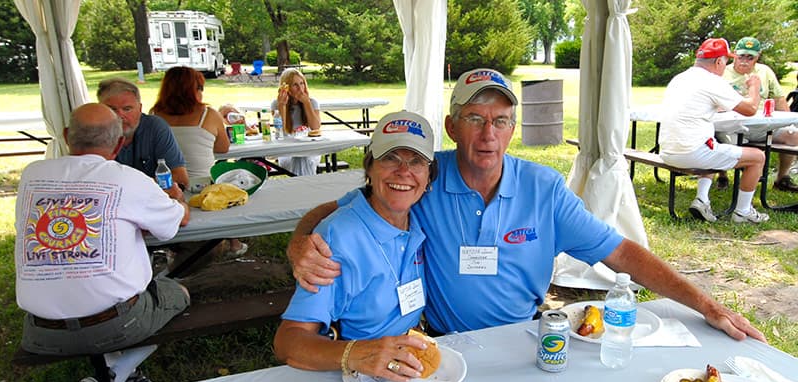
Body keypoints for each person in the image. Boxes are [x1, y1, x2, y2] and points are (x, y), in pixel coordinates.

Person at [287, 68, 766, 344]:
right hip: (448, 342)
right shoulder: (423, 176)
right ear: (453, 128)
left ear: (513, 129)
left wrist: (705, 303)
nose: (488, 133)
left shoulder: (544, 189)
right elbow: (340, 209)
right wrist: (299, 245)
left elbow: (620, 253)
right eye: (474, 118)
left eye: (500, 120)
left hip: (525, 337)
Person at [14, 103, 191, 382]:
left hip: (39, 331)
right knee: (177, 293)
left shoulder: (32, 175)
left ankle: (114, 372)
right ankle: (118, 372)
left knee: (124, 296)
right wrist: (177, 199)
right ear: (120, 142)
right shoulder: (128, 179)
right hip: (114, 324)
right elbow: (177, 221)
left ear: (67, 135)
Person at [273, 111, 437, 382]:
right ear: (369, 167)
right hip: (357, 378)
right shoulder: (337, 237)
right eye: (390, 158)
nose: (404, 172)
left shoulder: (417, 216)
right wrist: (354, 354)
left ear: (429, 175)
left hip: (411, 363)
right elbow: (287, 342)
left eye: (417, 161)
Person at [659, 38, 768, 224]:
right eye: (726, 62)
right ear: (719, 61)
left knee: (710, 143)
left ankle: (702, 199)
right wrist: (754, 88)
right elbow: (750, 109)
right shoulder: (712, 81)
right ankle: (743, 212)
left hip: (667, 150)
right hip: (691, 152)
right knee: (758, 157)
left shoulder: (679, 78)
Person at [149, 67, 247, 257]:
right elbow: (223, 148)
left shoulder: (154, 115)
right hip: (203, 186)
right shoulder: (208, 114)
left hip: (166, 187)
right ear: (193, 90)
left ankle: (175, 250)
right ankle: (234, 243)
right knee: (224, 186)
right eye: (200, 87)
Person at [717, 36, 798, 192]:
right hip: (732, 125)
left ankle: (782, 178)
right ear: (734, 54)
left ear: (757, 56)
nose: (744, 61)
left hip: (762, 124)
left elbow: (779, 99)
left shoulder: (765, 72)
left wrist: (789, 121)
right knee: (726, 140)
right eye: (741, 56)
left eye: (750, 57)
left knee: (793, 135)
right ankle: (723, 175)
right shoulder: (723, 73)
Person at [97, 77, 188, 200]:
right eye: (112, 109)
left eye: (127, 109)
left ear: (140, 109)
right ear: (100, 110)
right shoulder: (92, 132)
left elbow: (179, 177)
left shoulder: (155, 127)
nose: (119, 116)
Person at [272, 68, 322, 175]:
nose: (300, 88)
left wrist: (307, 103)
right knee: (298, 158)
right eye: (295, 85)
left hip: (309, 149)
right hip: (287, 150)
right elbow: (282, 132)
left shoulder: (312, 102)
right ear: (287, 88)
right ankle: (307, 186)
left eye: (302, 83)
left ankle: (300, 187)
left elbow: (315, 128)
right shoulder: (276, 104)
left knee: (302, 158)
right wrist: (282, 106)